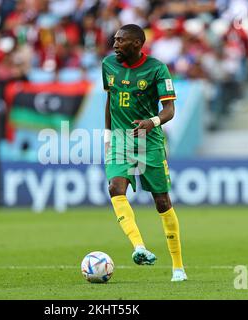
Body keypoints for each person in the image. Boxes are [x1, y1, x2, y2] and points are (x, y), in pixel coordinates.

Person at [102, 24, 187, 282]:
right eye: (114, 40)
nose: (115, 44)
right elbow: (111, 100)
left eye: (120, 40)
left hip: (149, 142)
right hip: (120, 139)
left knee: (162, 202)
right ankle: (139, 246)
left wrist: (152, 122)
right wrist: (107, 135)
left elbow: (169, 110)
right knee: (115, 187)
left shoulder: (157, 69)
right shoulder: (108, 65)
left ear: (137, 44)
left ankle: (178, 267)